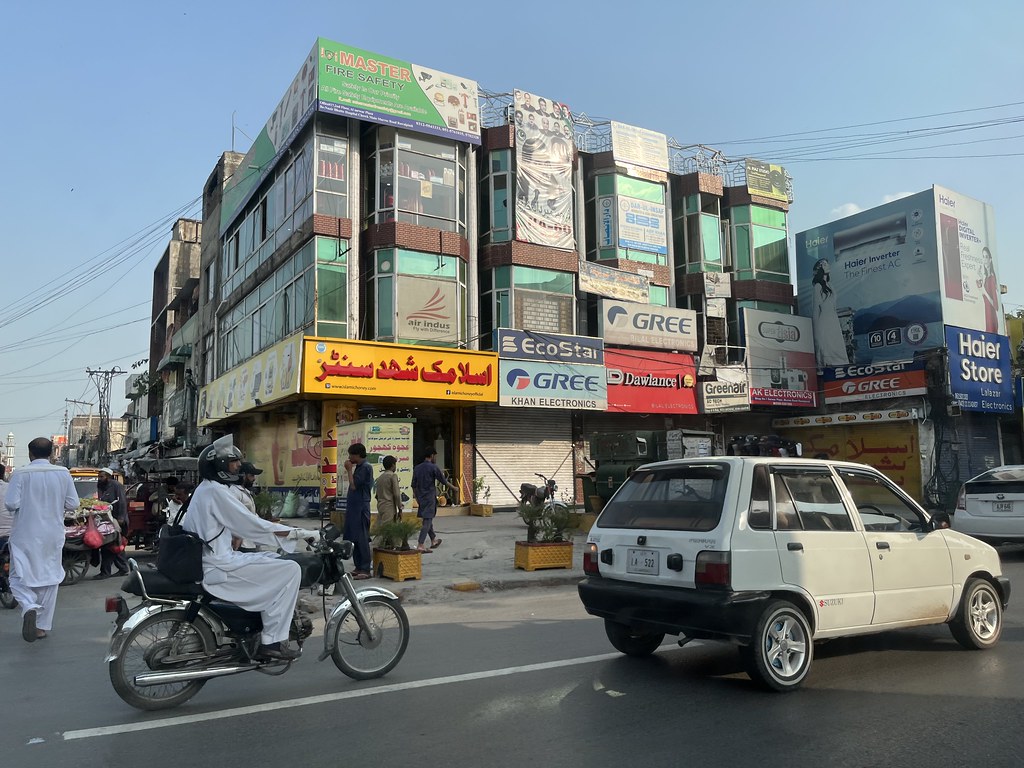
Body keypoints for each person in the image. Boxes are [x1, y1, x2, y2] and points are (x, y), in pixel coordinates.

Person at [184, 435, 302, 661]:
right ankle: (273, 641)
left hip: (216, 558)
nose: (238, 466)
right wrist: (300, 534)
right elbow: (251, 525)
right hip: (218, 564)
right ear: (219, 465)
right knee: (291, 570)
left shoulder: (207, 488)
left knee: (272, 560)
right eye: (233, 462)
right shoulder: (216, 492)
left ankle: (255, 630)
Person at [4, 437, 80, 643]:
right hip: (52, 534)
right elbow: (73, 503)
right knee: (50, 577)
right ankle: (40, 627)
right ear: (52, 453)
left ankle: (28, 605)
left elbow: (11, 504)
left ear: (30, 454)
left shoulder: (20, 473)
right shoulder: (63, 473)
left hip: (25, 534)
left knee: (18, 576)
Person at [412, 449, 456, 554]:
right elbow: (444, 481)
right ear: (432, 455)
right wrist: (454, 488)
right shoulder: (433, 467)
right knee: (427, 521)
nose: (436, 458)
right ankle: (420, 544)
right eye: (435, 456)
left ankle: (433, 540)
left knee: (428, 519)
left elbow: (413, 485)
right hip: (429, 498)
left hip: (421, 498)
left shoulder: (417, 468)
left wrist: (417, 497)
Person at [811, 258, 849, 366]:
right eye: (824, 264)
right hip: (824, 321)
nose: (828, 266)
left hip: (833, 320)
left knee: (837, 345)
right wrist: (816, 331)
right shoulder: (817, 287)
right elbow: (815, 310)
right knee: (827, 347)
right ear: (820, 269)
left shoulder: (830, 285)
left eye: (827, 264)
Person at [343, 443, 373, 580]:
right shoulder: (359, 467)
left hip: (361, 507)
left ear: (357, 455)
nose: (349, 458)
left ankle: (365, 568)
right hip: (353, 507)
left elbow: (354, 486)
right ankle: (358, 566)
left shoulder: (365, 467)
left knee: (362, 538)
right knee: (353, 537)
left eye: (351, 455)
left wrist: (349, 470)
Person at [94, 467, 129, 579]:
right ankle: (121, 568)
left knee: (112, 544)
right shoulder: (100, 486)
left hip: (117, 519)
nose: (99, 479)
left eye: (102, 476)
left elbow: (122, 502)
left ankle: (108, 571)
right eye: (99, 476)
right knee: (111, 544)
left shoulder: (116, 485)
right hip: (106, 518)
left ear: (108, 477)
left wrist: (121, 518)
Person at [375, 455, 403, 526]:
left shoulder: (379, 478)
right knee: (388, 531)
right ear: (393, 465)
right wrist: (400, 509)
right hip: (389, 507)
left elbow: (377, 496)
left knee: (381, 529)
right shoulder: (393, 476)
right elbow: (397, 494)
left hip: (380, 506)